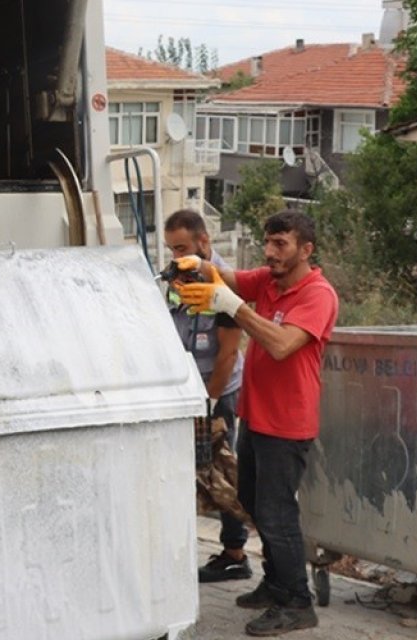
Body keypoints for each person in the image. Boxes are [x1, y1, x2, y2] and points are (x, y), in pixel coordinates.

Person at [175, 210, 338, 637]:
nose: (270, 252)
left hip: (287, 424)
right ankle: (275, 581)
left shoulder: (317, 295)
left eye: (280, 244)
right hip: (257, 416)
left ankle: (297, 602)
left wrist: (232, 307)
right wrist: (195, 265)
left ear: (306, 249)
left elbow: (282, 344)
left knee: (278, 514)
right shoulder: (268, 280)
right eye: (267, 242)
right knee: (251, 500)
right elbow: (227, 276)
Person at [162, 209, 250, 584]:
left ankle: (235, 553)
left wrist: (209, 404)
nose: (175, 256)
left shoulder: (222, 284)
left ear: (204, 243)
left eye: (182, 247)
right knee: (186, 474)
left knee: (220, 473)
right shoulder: (179, 278)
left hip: (216, 392)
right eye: (171, 249)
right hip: (185, 388)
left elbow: (228, 354)